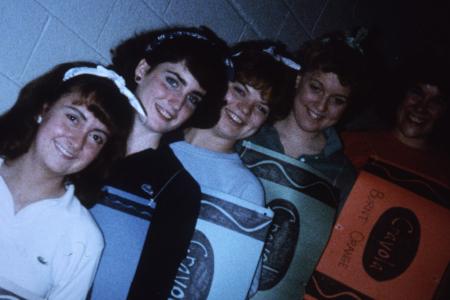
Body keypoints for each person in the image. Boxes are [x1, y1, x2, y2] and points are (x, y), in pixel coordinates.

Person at [88, 26, 231, 300]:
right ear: (142, 69)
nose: (176, 103)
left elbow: (150, 288)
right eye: (173, 81)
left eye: (193, 98)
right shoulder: (82, 136)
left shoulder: (179, 191)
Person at [237, 30, 367, 299]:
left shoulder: (344, 177)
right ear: (298, 80)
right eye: (316, 87)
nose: (321, 105)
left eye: (338, 100)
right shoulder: (249, 131)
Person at [168, 41, 297, 297]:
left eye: (261, 107)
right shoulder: (159, 137)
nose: (246, 109)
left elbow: (238, 284)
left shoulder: (244, 188)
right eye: (240, 90)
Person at [0, 62, 134, 299]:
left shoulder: (83, 237)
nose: (77, 141)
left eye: (96, 136)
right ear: (43, 110)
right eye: (73, 118)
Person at [342, 58, 450, 188]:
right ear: (400, 93)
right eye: (417, 93)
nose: (421, 107)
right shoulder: (346, 142)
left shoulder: (444, 172)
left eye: (436, 102)